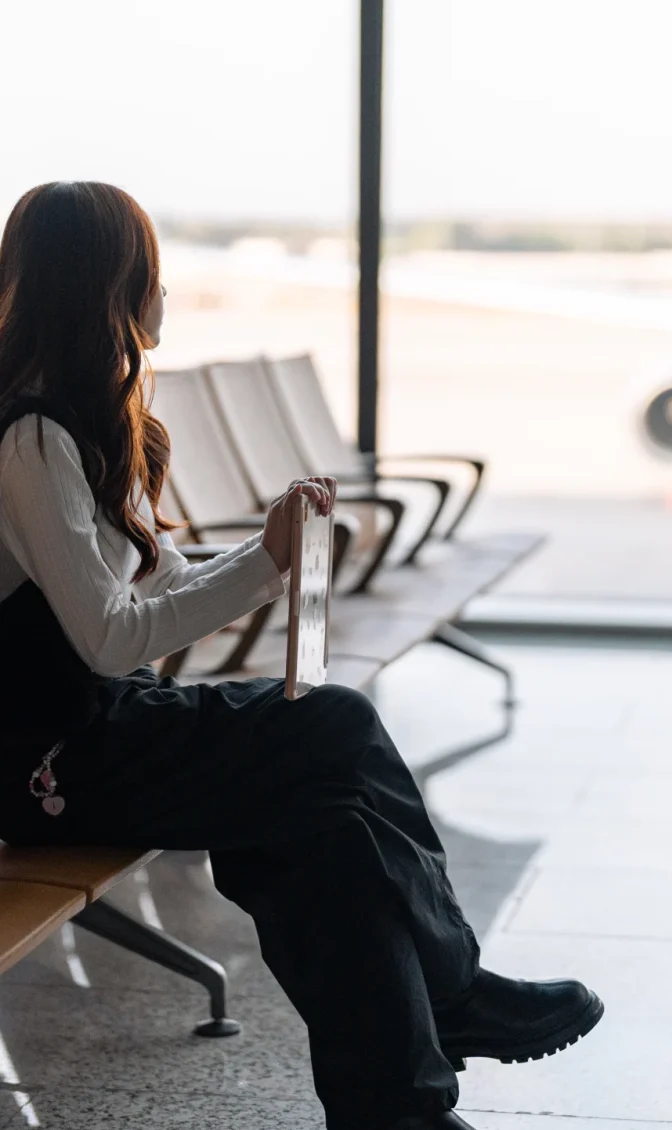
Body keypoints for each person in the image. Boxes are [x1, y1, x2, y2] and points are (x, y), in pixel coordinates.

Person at [0, 182, 604, 1130]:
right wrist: (265, 570)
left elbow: (135, 589)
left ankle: (395, 1106)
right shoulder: (31, 438)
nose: (165, 297)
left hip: (105, 729)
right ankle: (452, 993)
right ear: (111, 287)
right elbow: (110, 635)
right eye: (152, 274)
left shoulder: (76, 424)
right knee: (336, 721)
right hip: (47, 762)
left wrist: (265, 550)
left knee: (321, 818)